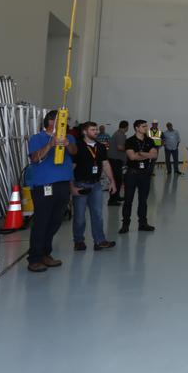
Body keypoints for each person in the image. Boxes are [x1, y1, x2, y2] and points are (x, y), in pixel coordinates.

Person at [26, 109, 76, 273]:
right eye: (61, 120)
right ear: (50, 121)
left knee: (55, 221)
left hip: (63, 185)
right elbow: (35, 158)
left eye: (65, 120)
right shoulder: (37, 138)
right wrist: (50, 144)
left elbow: (74, 152)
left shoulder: (69, 138)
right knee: (41, 222)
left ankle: (45, 254)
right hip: (44, 186)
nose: (64, 123)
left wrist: (67, 144)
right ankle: (34, 258)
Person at [71, 121, 117, 252]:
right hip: (80, 184)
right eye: (93, 129)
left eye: (96, 129)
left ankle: (99, 241)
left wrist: (112, 181)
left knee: (98, 214)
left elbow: (105, 164)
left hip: (96, 184)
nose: (96, 131)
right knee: (79, 217)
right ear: (84, 132)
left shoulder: (100, 147)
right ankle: (79, 241)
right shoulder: (77, 146)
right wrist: (71, 186)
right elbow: (71, 167)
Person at [121, 119, 159, 233]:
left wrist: (141, 153)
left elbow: (155, 155)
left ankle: (143, 223)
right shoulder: (130, 141)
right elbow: (132, 157)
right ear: (137, 128)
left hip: (145, 174)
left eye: (146, 126)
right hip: (132, 173)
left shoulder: (150, 140)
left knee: (143, 200)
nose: (146, 128)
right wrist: (147, 155)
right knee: (128, 200)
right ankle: (125, 224)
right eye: (143, 126)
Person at [107, 120, 128, 206]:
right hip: (115, 160)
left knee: (118, 180)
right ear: (126, 127)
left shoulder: (117, 133)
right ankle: (112, 200)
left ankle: (116, 196)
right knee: (116, 180)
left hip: (115, 160)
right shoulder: (120, 135)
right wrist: (129, 148)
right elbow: (120, 147)